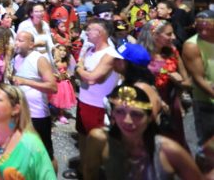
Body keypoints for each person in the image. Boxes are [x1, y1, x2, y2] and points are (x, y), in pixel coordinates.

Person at [84, 84, 202, 180]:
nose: (127, 120)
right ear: (113, 114)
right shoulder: (99, 140)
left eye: (136, 114)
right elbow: (90, 174)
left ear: (150, 117)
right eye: (120, 111)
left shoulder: (168, 150)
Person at [66, 19, 122, 179]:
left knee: (96, 144)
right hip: (84, 101)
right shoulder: (90, 49)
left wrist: (79, 68)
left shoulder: (110, 54)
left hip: (99, 106)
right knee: (83, 137)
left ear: (101, 33)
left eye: (90, 30)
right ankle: (84, 172)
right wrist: (81, 69)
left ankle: (95, 174)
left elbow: (91, 78)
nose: (86, 32)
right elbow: (82, 70)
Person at [138, 19, 191, 150]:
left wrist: (178, 82)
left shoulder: (172, 51)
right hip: (148, 105)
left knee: (174, 142)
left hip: (172, 104)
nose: (173, 37)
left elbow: (186, 82)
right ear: (154, 34)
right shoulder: (140, 54)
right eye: (168, 34)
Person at [12, 31, 58, 172]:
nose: (16, 43)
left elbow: (52, 87)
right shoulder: (17, 58)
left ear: (31, 44)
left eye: (20, 40)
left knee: (45, 153)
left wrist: (26, 81)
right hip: (21, 113)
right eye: (16, 40)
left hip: (38, 114)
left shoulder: (39, 59)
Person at [182, 10, 214, 162]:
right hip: (206, 102)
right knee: (206, 146)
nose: (203, 30)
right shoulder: (192, 45)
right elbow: (198, 78)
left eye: (207, 26)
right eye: (199, 27)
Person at [50, 44, 77, 124]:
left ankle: (60, 114)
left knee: (62, 98)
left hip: (64, 83)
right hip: (56, 82)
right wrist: (56, 75)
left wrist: (67, 75)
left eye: (64, 50)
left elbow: (68, 71)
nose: (62, 52)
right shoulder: (54, 61)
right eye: (60, 50)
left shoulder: (66, 61)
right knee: (53, 98)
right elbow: (50, 71)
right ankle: (52, 113)